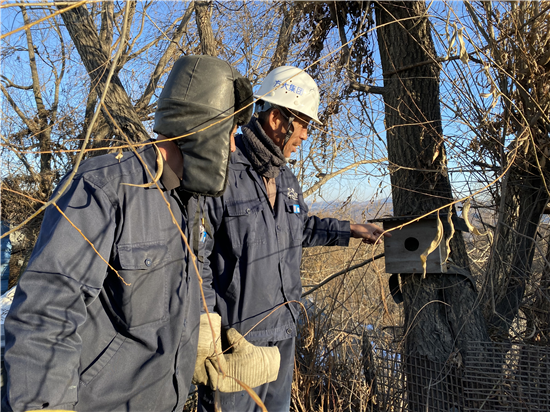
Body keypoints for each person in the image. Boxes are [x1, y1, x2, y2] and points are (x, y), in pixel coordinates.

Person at [2, 55, 256, 412]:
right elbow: (46, 312)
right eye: (229, 133)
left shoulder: (189, 203)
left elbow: (184, 290)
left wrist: (199, 345)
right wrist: (44, 405)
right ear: (203, 129)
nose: (233, 146)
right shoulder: (105, 188)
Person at [197, 66, 390, 411]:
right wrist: (209, 332)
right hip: (236, 341)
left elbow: (298, 229)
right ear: (276, 119)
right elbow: (197, 258)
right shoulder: (223, 172)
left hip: (284, 331)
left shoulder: (285, 178)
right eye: (302, 125)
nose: (304, 135)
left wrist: (352, 230)